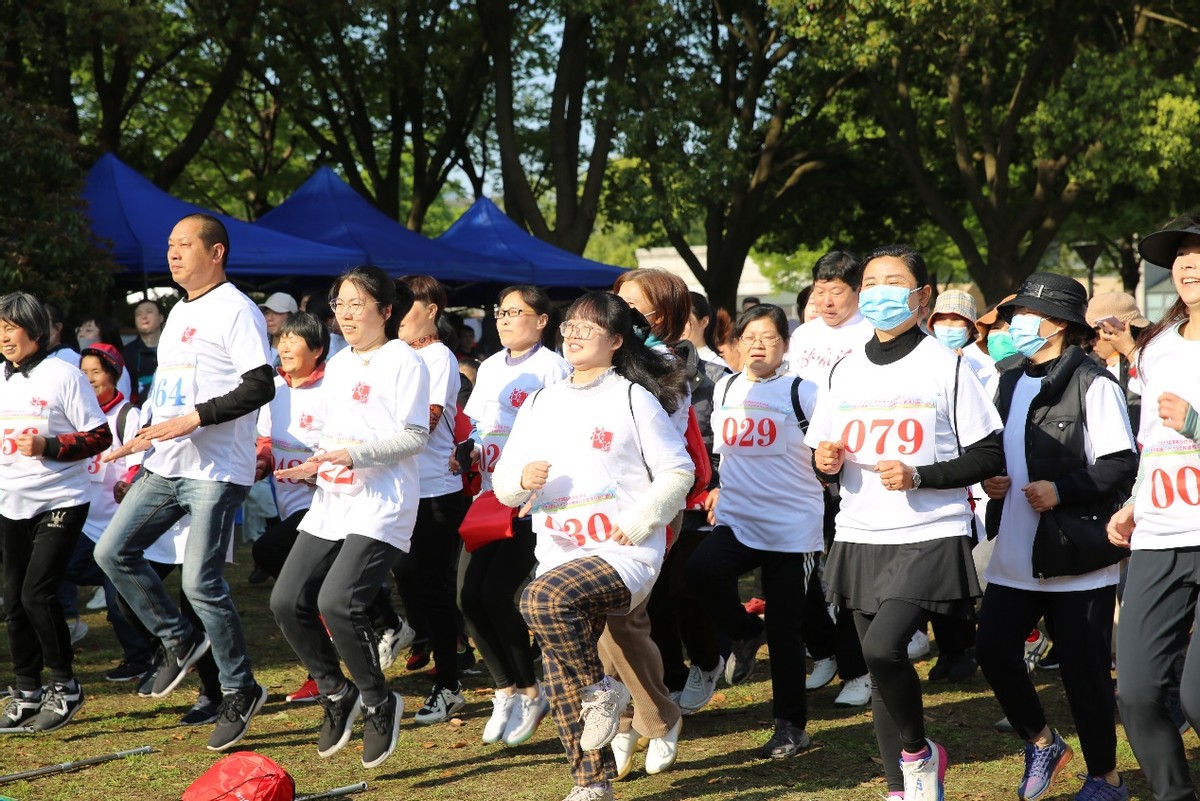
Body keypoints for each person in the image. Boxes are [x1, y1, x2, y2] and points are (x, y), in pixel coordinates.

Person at [805, 244, 1004, 801]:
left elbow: (989, 455)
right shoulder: (844, 369)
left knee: (883, 650)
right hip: (859, 532)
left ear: (921, 296)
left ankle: (920, 752)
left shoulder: (948, 365)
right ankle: (902, 785)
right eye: (870, 282)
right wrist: (825, 462)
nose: (878, 292)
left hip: (929, 532)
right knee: (879, 672)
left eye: (893, 282)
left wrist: (921, 476)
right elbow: (824, 451)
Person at [494, 292, 693, 801]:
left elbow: (678, 471)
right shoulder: (541, 401)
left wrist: (641, 519)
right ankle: (591, 783)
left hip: (624, 552)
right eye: (572, 324)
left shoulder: (631, 396)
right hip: (559, 551)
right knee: (558, 667)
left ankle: (603, 691)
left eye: (590, 326)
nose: (575, 332)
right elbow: (502, 484)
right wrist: (521, 479)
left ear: (616, 340)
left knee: (538, 599)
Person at [95, 213, 275, 753]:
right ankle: (180, 640)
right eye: (169, 244)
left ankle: (240, 691)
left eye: (183, 244)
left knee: (200, 583)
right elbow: (171, 389)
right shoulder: (176, 313)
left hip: (215, 471)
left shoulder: (238, 309)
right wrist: (142, 433)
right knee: (112, 552)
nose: (172, 254)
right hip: (164, 462)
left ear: (216, 252)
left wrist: (195, 418)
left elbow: (260, 386)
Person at [976, 272, 1137, 801]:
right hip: (1014, 550)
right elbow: (1002, 449)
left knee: (1085, 677)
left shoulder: (1095, 383)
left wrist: (1061, 491)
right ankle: (1042, 741)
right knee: (994, 651)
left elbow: (1119, 465)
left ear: (1061, 324)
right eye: (1015, 312)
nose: (1016, 322)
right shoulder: (1007, 379)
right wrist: (994, 478)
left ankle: (1105, 778)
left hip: (1075, 554)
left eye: (1028, 314)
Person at [270, 267, 429, 769]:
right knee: (285, 599)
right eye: (339, 303)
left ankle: (380, 701)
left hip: (383, 501)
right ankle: (337, 692)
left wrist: (353, 457)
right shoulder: (338, 364)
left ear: (386, 310)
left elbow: (415, 436)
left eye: (357, 303)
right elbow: (332, 437)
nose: (345, 312)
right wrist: (313, 464)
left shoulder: (405, 359)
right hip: (333, 499)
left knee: (337, 602)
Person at [687, 304, 823, 759]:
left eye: (769, 337)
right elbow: (725, 450)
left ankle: (790, 727)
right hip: (739, 519)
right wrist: (718, 487)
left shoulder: (804, 392)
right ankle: (745, 631)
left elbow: (831, 449)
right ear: (737, 344)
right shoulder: (725, 386)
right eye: (749, 337)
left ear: (785, 345)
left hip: (792, 527)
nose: (758, 345)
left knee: (787, 630)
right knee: (699, 574)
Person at [1108, 217, 1200, 801]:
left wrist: (1195, 423)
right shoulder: (1158, 349)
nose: (1188, 264)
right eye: (1181, 258)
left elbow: (1183, 427)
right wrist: (1135, 502)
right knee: (1138, 692)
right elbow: (1153, 442)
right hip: (1162, 532)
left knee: (1198, 697)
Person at [460, 285, 569, 747]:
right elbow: (478, 424)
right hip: (488, 496)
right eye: (500, 312)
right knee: (468, 598)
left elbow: (562, 434)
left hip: (528, 501)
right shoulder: (488, 366)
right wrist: (466, 451)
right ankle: (505, 689)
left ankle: (531, 690)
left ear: (542, 320)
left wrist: (532, 485)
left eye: (515, 312)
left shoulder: (553, 367)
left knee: (500, 596)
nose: (504, 320)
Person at [0, 292, 111, 732]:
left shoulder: (64, 375)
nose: (4, 337)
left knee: (37, 594)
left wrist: (50, 446)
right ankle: (26, 691)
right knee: (12, 601)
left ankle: (65, 687)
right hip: (11, 501)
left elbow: (98, 436)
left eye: (11, 327)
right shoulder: (2, 378)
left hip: (62, 499)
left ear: (35, 330)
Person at [787, 250, 874, 706]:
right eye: (819, 290)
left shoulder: (870, 334)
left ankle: (858, 669)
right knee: (803, 568)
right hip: (805, 462)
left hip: (856, 464)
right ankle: (823, 652)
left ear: (857, 291)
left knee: (847, 572)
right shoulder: (803, 335)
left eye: (836, 290)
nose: (825, 300)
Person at [392, 275, 471, 724]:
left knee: (433, 588)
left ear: (433, 310)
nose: (400, 313)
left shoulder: (436, 356)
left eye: (410, 305)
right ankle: (414, 638)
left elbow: (428, 418)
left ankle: (449, 684)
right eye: (396, 305)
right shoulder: (395, 357)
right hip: (402, 489)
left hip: (436, 492)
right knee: (408, 577)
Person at [1086, 292, 1148, 427]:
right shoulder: (1090, 365)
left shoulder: (1152, 357)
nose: (1091, 342)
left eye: (1096, 334)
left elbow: (1155, 389)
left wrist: (1130, 351)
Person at [122, 299, 165, 405]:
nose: (144, 316)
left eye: (149, 312)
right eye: (138, 314)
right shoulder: (126, 353)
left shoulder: (174, 347)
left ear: (161, 318)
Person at [682, 292, 729, 369]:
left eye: (684, 320)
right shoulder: (668, 359)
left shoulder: (716, 367)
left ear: (704, 322)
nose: (678, 326)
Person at [261, 291, 298, 366]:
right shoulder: (258, 345)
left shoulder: (299, 351)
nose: (269, 318)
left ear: (291, 316)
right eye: (267, 312)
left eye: (276, 312)